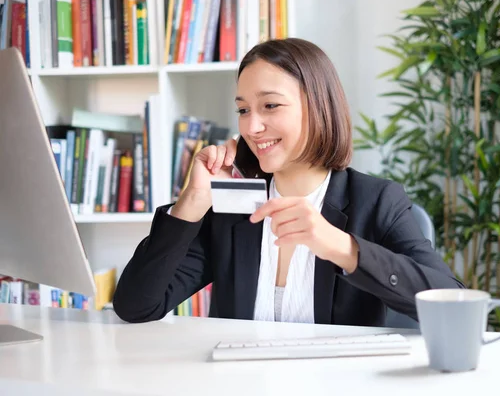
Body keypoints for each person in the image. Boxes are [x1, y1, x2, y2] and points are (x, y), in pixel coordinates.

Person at [112, 38, 464, 327]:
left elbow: (453, 306)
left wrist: (342, 247)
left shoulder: (377, 201)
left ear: (318, 108)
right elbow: (136, 306)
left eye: (270, 105)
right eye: (244, 110)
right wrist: (191, 201)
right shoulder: (233, 207)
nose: (251, 128)